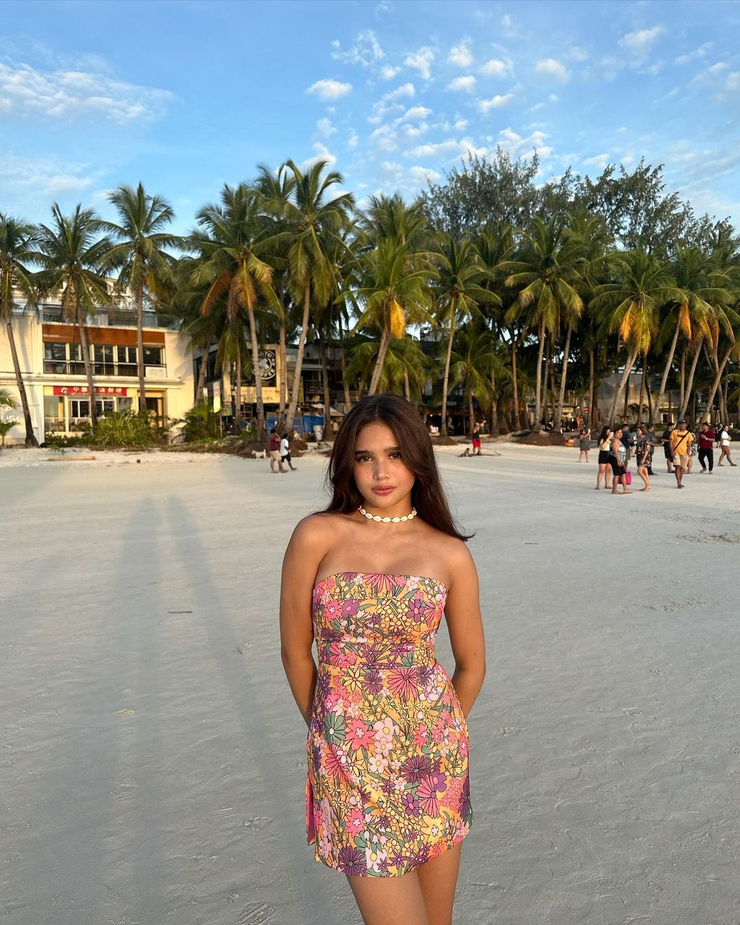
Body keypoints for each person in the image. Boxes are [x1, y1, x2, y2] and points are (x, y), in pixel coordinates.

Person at [279, 393, 485, 925]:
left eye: (394, 455)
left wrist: (438, 731)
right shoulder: (317, 535)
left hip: (432, 762)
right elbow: (296, 652)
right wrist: (329, 732)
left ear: (418, 459)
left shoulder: (450, 552)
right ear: (347, 464)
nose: (381, 472)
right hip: (351, 761)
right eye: (365, 457)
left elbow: (471, 665)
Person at [669, 419, 693, 488]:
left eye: (684, 424)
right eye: (681, 424)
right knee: (678, 466)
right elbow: (671, 442)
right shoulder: (674, 432)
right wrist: (672, 451)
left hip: (684, 452)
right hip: (676, 452)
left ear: (686, 425)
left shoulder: (688, 434)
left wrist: (688, 452)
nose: (682, 425)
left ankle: (680, 481)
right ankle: (678, 482)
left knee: (682, 468)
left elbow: (689, 444)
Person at [610, 427, 630, 494]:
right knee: (617, 475)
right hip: (616, 459)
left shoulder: (618, 440)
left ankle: (625, 488)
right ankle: (614, 490)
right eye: (618, 433)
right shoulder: (615, 441)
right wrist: (618, 460)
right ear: (615, 434)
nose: (620, 434)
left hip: (620, 460)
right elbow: (615, 451)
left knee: (623, 474)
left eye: (621, 432)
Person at [635, 425, 654, 491]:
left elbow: (647, 450)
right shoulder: (640, 438)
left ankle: (647, 485)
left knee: (639, 471)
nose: (637, 432)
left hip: (644, 457)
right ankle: (648, 485)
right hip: (640, 456)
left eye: (638, 430)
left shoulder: (644, 439)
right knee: (645, 471)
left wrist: (643, 458)